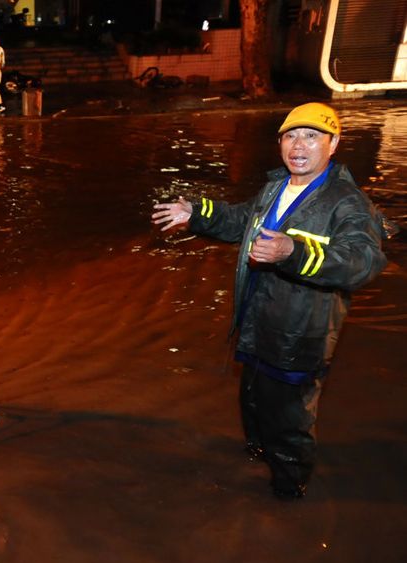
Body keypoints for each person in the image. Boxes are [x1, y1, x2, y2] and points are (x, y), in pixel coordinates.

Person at [151, 103, 387, 500]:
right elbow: (242, 221)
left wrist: (293, 251)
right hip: (259, 321)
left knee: (291, 417)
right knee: (255, 399)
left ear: (333, 144)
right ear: (280, 142)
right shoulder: (276, 187)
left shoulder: (349, 202)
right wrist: (197, 213)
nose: (299, 145)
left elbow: (362, 262)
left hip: (300, 333)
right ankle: (258, 453)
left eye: (312, 136)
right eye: (291, 135)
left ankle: (288, 489)